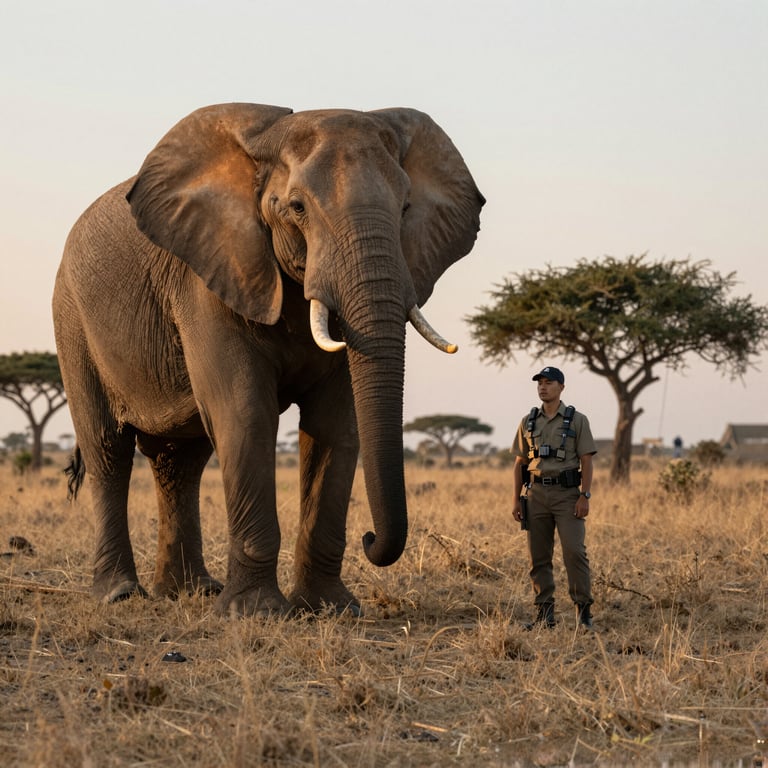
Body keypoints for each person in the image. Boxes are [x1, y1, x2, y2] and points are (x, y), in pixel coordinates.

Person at [511, 366, 597, 629]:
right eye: (540, 383)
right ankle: (544, 614)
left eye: (549, 383)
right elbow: (519, 463)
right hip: (536, 494)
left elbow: (587, 460)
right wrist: (516, 500)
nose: (543, 387)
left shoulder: (577, 420)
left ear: (562, 387)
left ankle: (583, 612)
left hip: (567, 495)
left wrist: (584, 496)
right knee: (538, 556)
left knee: (574, 551)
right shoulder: (528, 421)